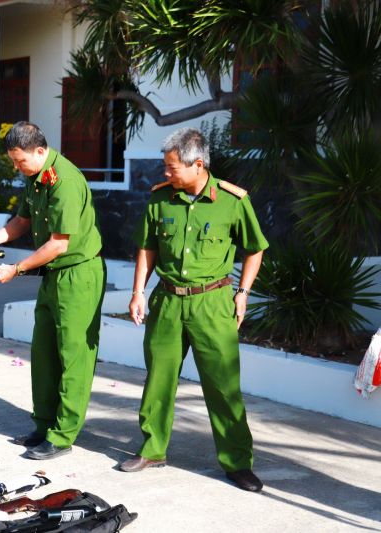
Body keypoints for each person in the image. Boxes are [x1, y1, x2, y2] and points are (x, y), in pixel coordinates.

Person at [124, 127, 268, 492]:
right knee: (158, 380)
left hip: (213, 303)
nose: (166, 174)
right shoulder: (160, 200)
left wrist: (243, 292)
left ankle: (237, 463)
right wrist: (138, 291)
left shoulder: (233, 201)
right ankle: (153, 448)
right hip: (167, 301)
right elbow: (147, 248)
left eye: (172, 168)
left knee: (223, 386)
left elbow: (255, 248)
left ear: (198, 165)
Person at [0, 122, 106, 460]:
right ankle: (44, 424)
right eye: (13, 162)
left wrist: (16, 269)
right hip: (52, 277)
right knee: (44, 353)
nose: (17, 168)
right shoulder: (37, 178)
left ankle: (62, 435)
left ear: (40, 150)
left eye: (20, 162)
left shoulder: (66, 181)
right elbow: (23, 222)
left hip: (78, 275)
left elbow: (58, 244)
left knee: (73, 356)